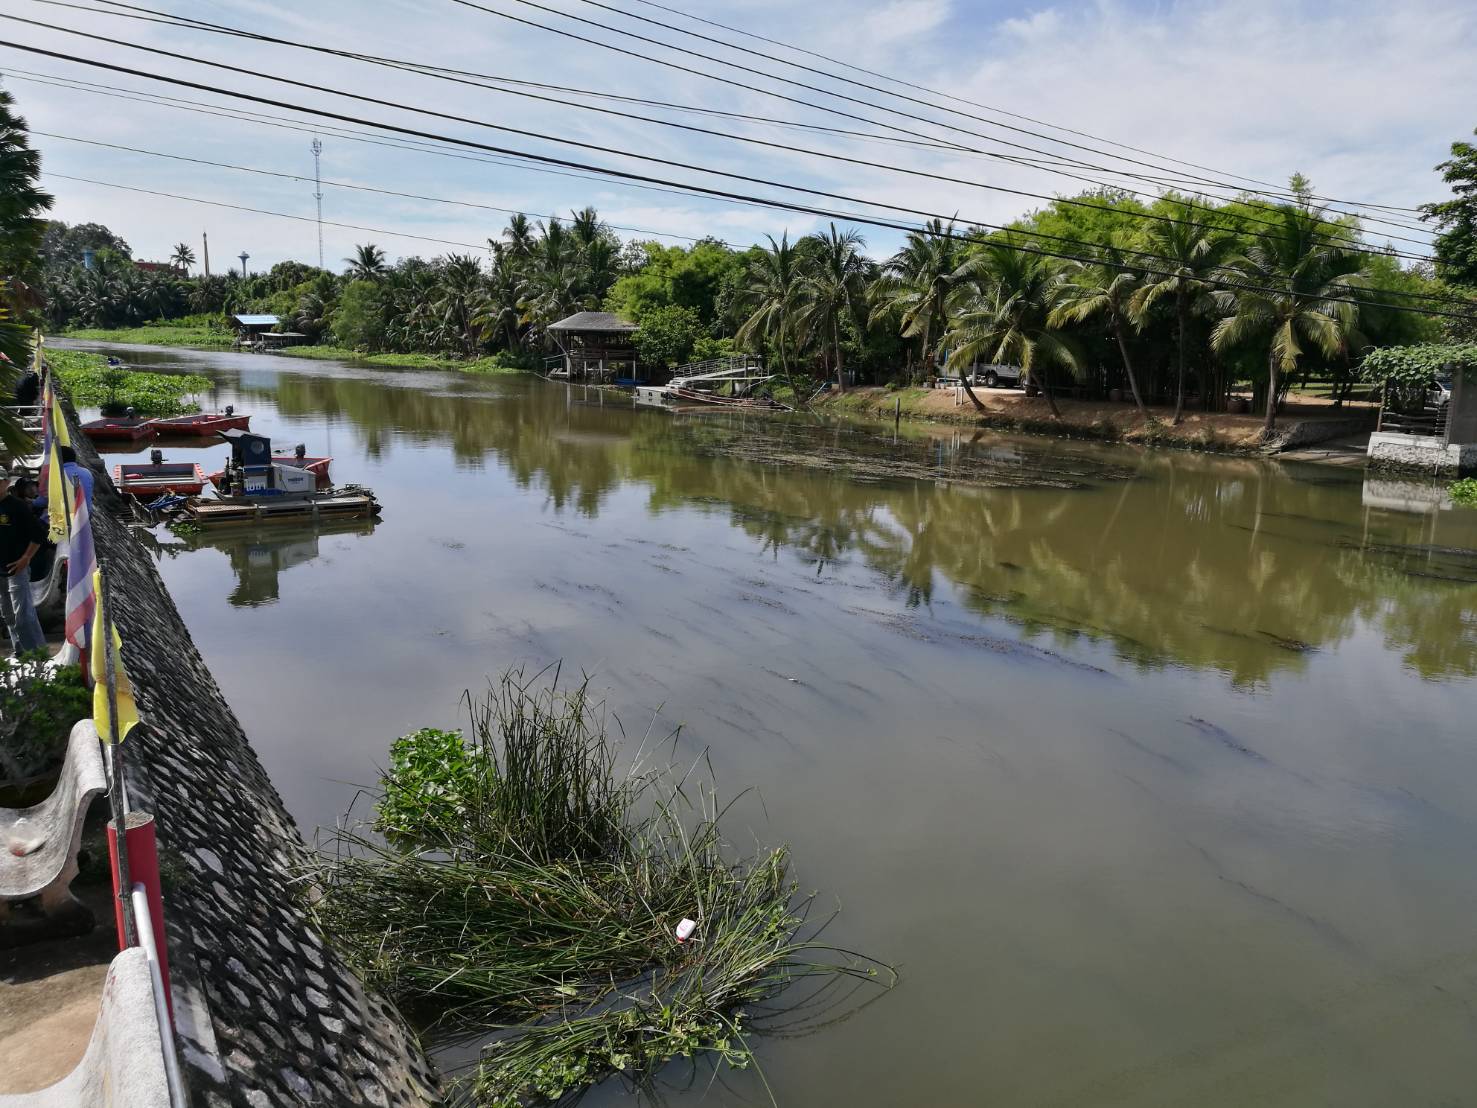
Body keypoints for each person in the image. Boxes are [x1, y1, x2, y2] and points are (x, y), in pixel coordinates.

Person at [0, 466, 47, 655]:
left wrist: (26, 558)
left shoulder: (17, 506)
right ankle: (19, 650)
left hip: (16, 568)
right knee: (8, 615)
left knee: (23, 615)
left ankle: (37, 653)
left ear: (5, 482)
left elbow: (38, 535)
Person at [32, 445, 94, 513]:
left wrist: (32, 502)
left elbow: (45, 501)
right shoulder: (87, 472)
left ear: (57, 458)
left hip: (67, 518)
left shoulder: (56, 475)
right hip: (86, 515)